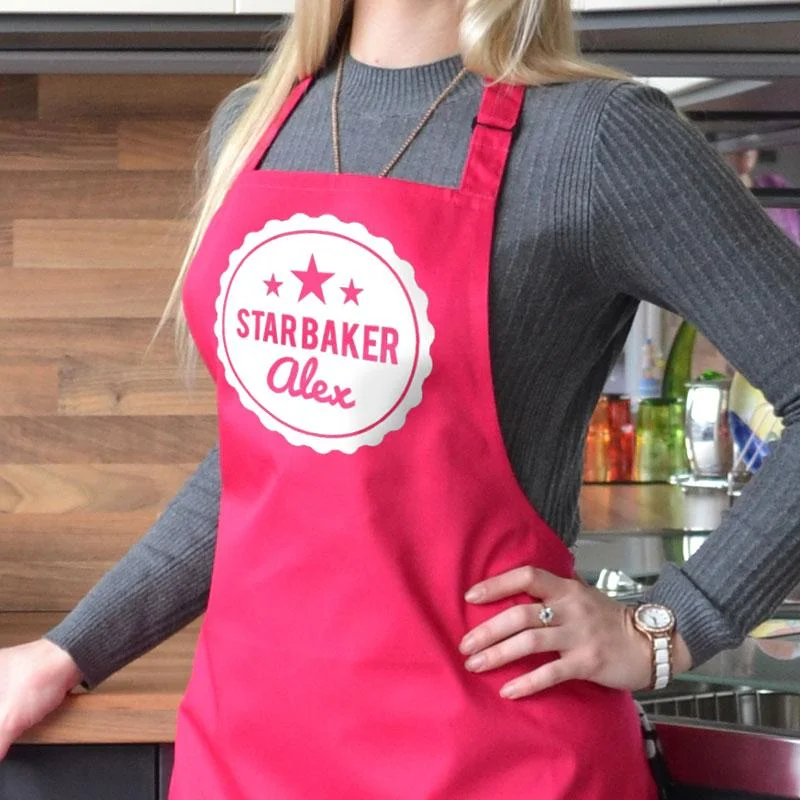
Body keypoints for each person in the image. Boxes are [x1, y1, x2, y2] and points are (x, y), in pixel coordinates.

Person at [2, 0, 800, 797]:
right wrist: (69, 650)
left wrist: (671, 626)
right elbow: (266, 464)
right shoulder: (252, 126)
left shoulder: (595, 138)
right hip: (245, 748)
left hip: (497, 758)